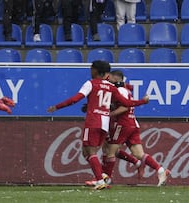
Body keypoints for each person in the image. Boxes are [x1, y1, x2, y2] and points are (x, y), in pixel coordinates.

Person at [47, 60, 149, 190]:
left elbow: (75, 99)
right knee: (89, 152)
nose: (90, 71)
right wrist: (142, 101)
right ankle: (102, 177)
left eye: (91, 68)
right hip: (105, 123)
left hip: (93, 121)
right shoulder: (112, 87)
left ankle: (100, 179)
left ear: (96, 71)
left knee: (90, 152)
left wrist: (57, 107)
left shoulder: (91, 83)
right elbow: (127, 103)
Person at [101, 70, 170, 186]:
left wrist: (109, 114)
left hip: (123, 124)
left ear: (115, 78)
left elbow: (125, 107)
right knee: (139, 154)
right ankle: (161, 170)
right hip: (132, 124)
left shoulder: (120, 90)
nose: (108, 79)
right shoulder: (124, 89)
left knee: (110, 151)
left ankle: (105, 180)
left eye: (110, 77)